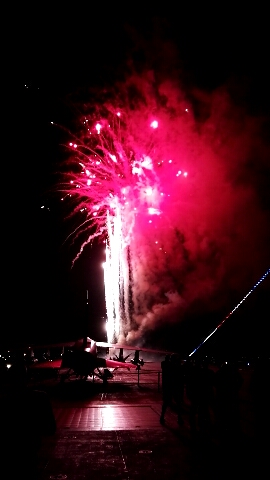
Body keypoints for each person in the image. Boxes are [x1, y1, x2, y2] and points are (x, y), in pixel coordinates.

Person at [0, 361, 57, 480]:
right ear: (28, 378)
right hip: (30, 451)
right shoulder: (40, 398)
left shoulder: (3, 401)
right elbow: (50, 429)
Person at [160, 353, 184, 425]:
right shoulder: (176, 366)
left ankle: (162, 417)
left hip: (169, 387)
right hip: (174, 387)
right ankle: (179, 418)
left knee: (166, 403)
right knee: (178, 403)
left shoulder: (167, 365)